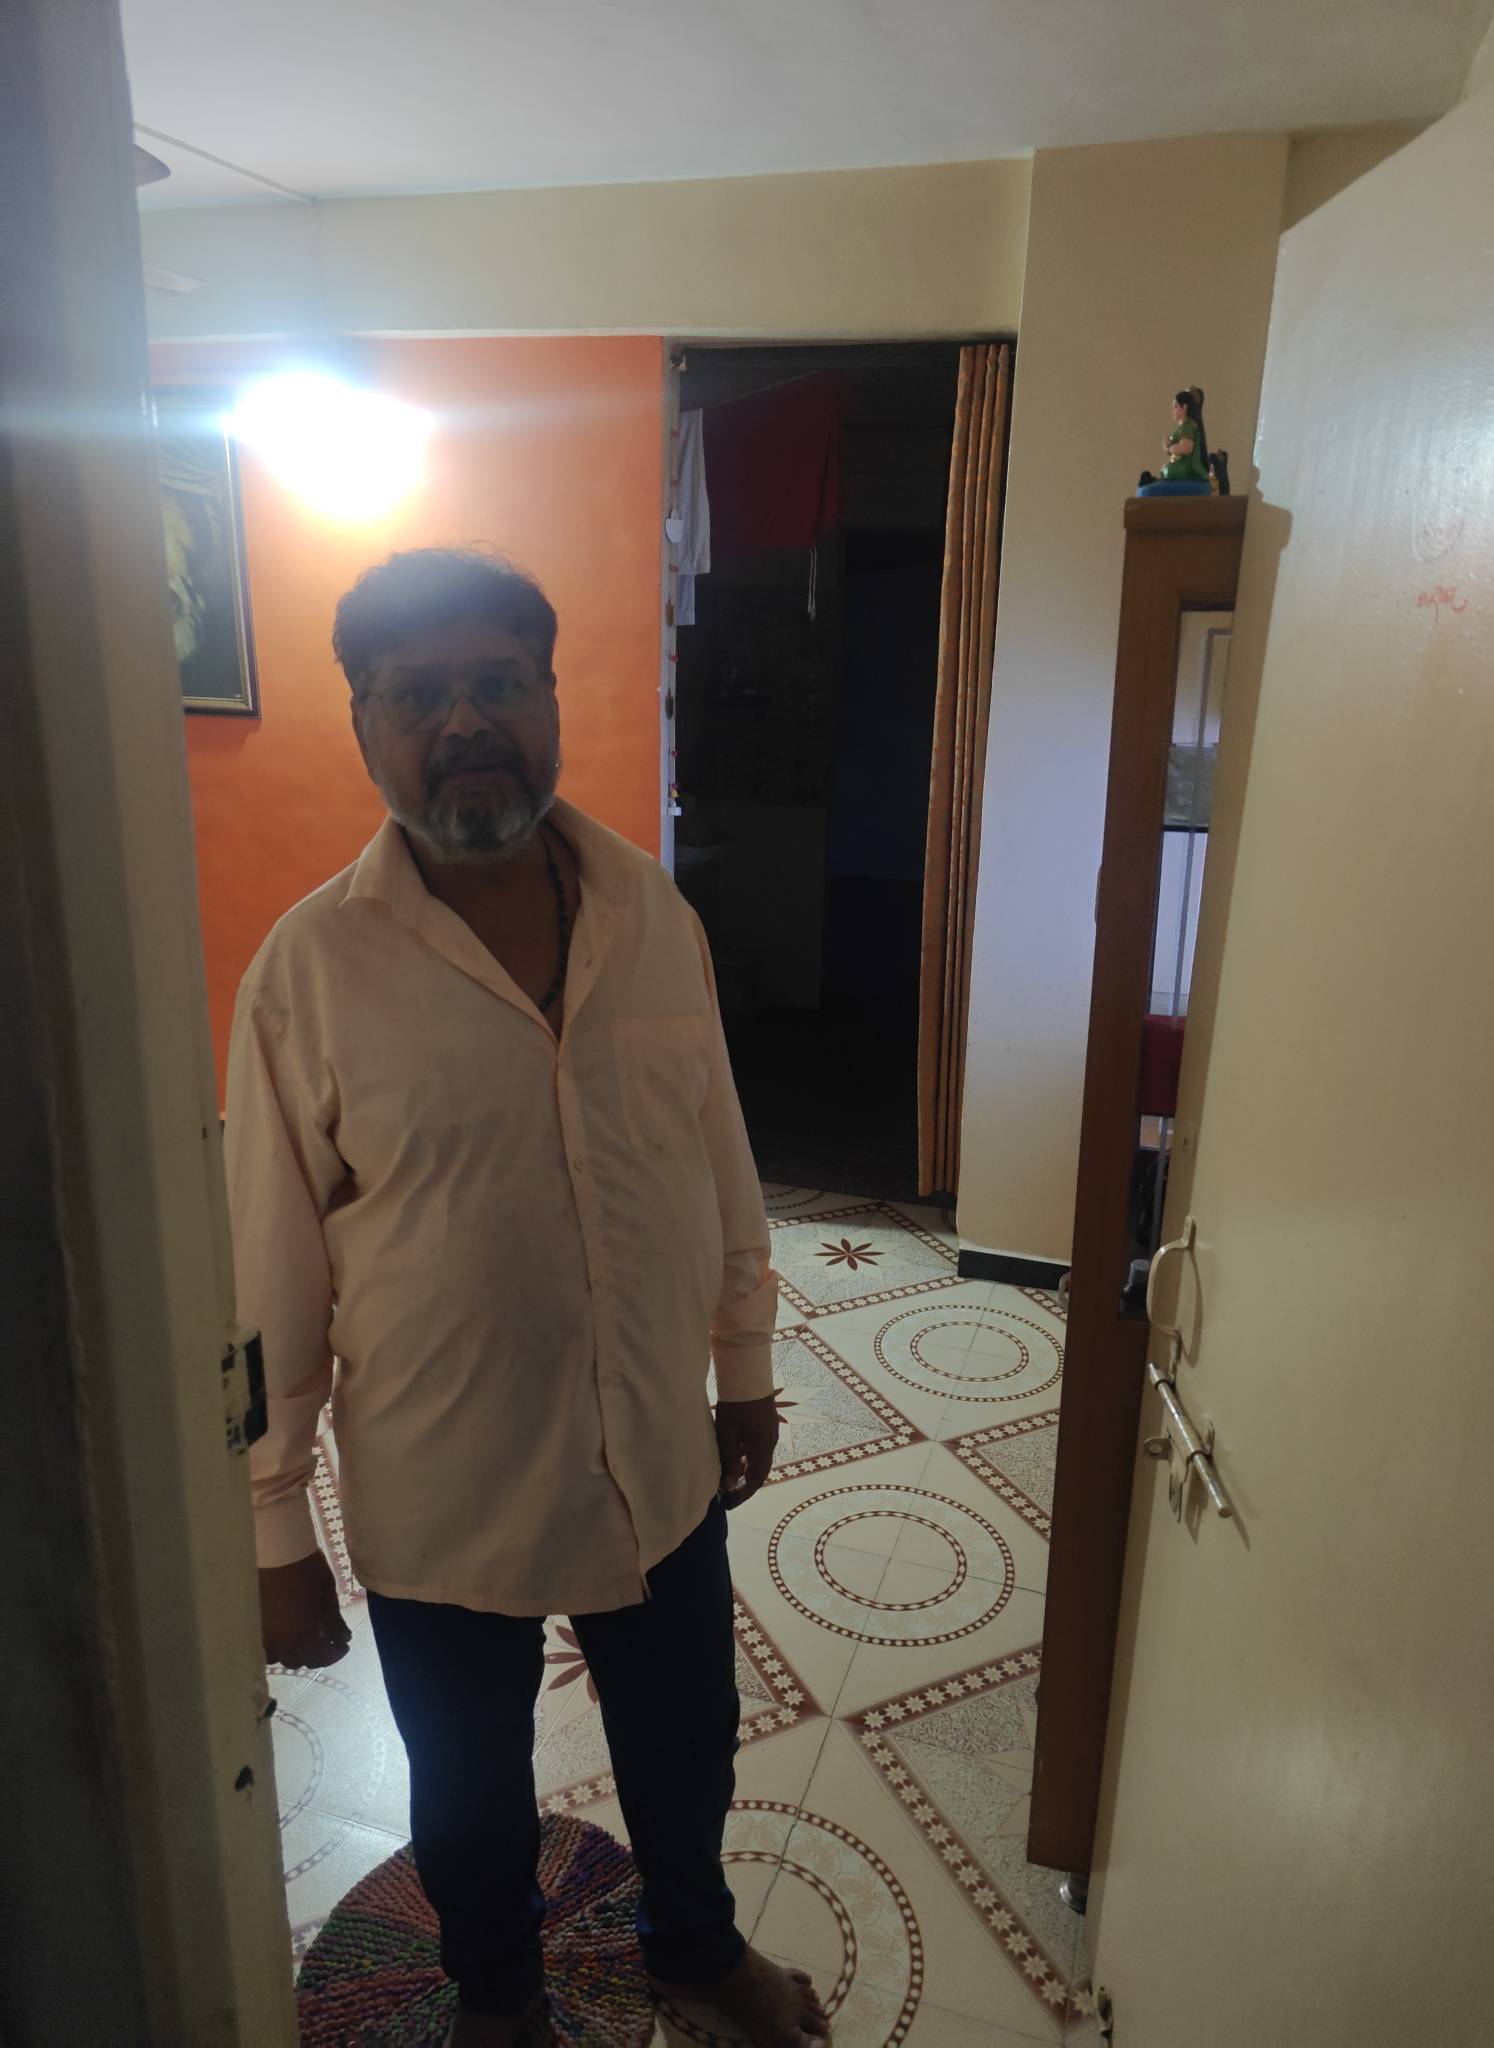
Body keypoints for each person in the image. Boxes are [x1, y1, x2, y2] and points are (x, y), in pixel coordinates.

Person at [225, 548, 829, 2048]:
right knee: (468, 1791)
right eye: (417, 694)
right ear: (364, 725)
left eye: (497, 682)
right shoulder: (307, 971)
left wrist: (744, 1363)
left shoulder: (651, 912)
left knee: (689, 1744)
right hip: (446, 1489)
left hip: (656, 1454)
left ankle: (695, 1949)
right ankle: (498, 2002)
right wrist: (273, 1527)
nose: (464, 722)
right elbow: (271, 1273)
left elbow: (715, 1152)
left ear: (551, 700)